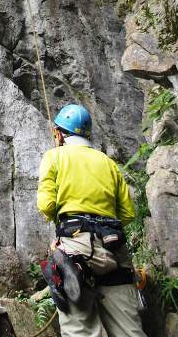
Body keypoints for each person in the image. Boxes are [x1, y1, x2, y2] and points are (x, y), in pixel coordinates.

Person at [37, 104, 146, 337]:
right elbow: (127, 213)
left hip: (75, 248)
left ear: (59, 133)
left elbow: (46, 206)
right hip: (114, 246)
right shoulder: (108, 163)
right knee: (129, 331)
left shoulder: (54, 157)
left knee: (81, 331)